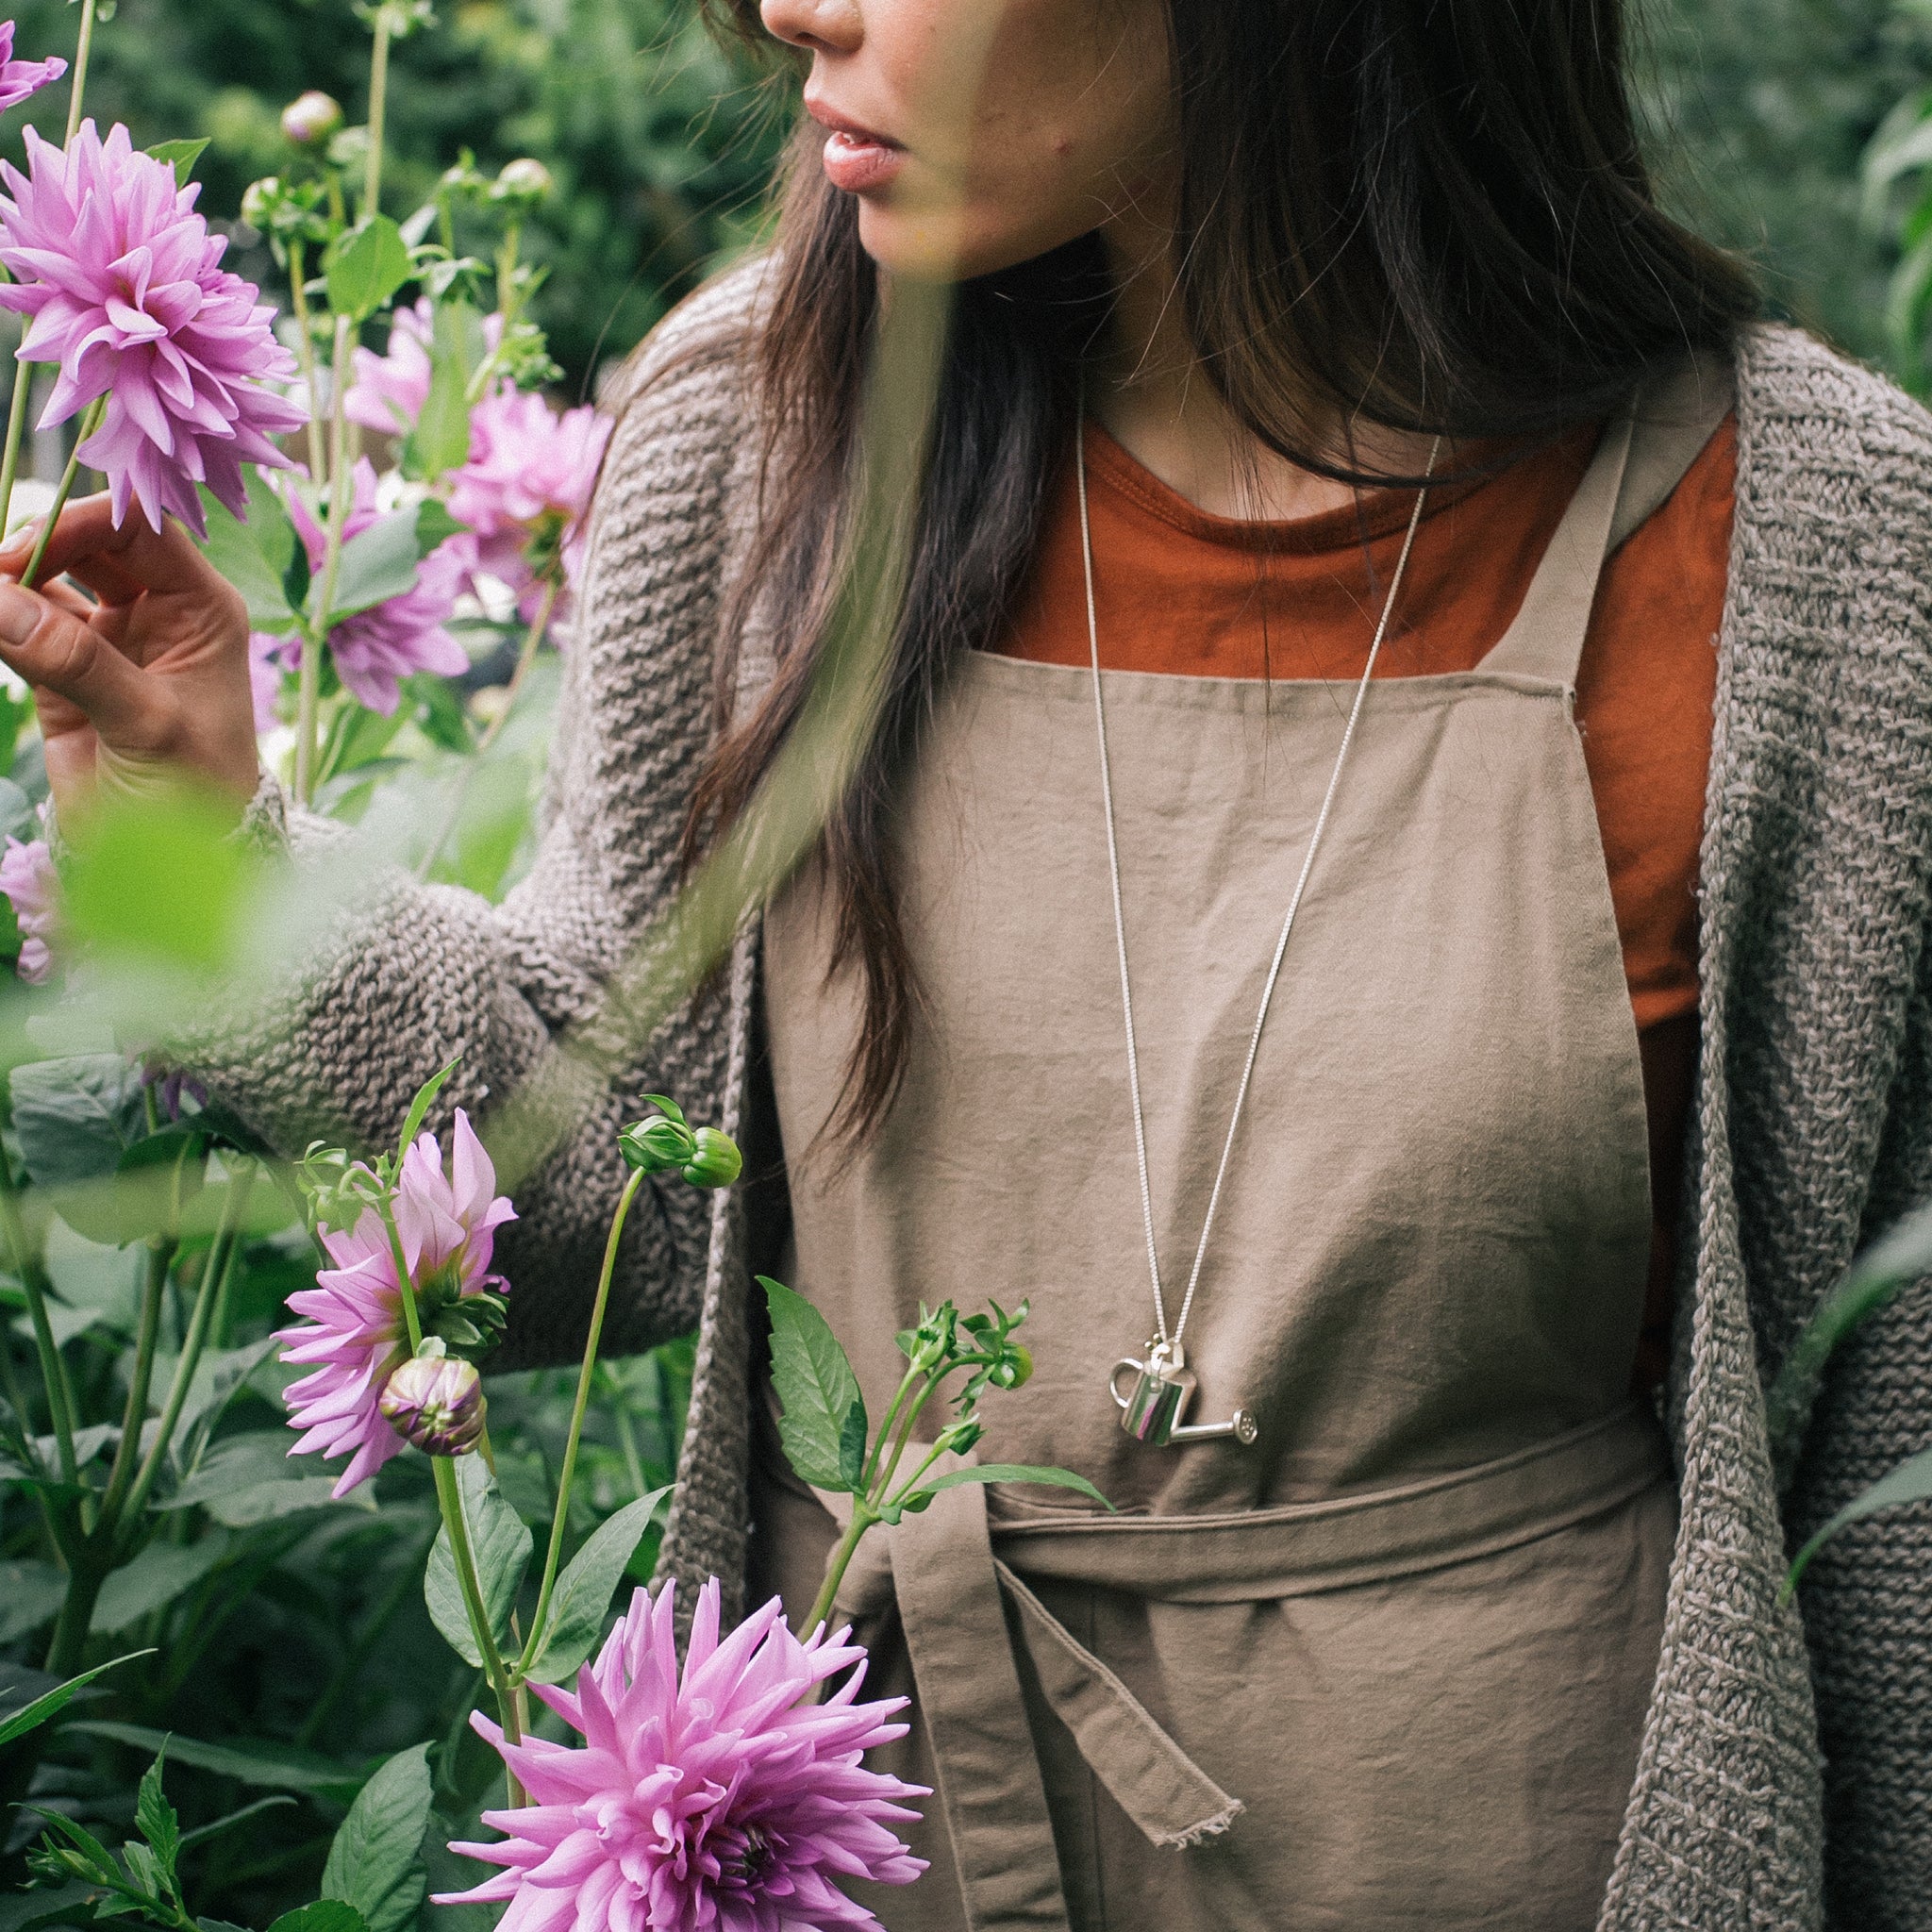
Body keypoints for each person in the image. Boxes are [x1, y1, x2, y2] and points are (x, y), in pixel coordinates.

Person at [0, 0, 1927, 1924]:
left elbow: (1893, 1470)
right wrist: (209, 849)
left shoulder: (1815, 549)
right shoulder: (762, 445)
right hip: (852, 1846)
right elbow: (620, 1187)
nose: (786, 9)